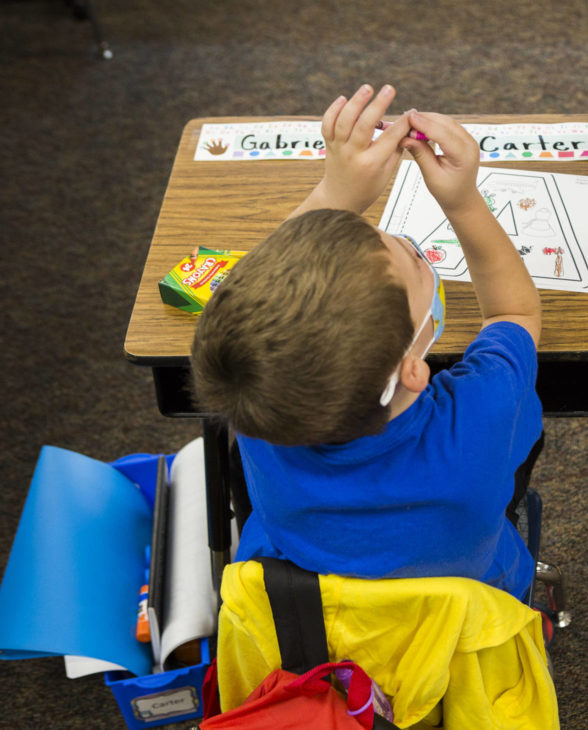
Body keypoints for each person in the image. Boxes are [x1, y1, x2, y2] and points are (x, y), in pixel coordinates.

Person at [191, 84, 544, 602]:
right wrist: (465, 203)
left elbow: (241, 303)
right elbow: (514, 312)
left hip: (308, 630)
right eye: (414, 257)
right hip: (470, 630)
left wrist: (338, 192)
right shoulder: (481, 415)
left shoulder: (258, 401)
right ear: (412, 370)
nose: (404, 238)